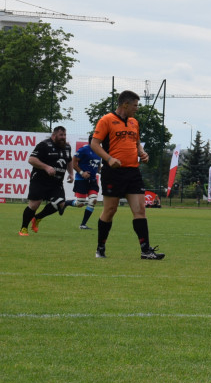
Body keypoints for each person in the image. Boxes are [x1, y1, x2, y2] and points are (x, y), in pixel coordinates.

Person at [90, 91, 163, 259]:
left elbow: (137, 144)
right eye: (135, 105)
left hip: (133, 171)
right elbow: (94, 144)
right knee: (110, 210)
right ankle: (100, 248)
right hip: (113, 172)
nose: (137, 109)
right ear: (125, 104)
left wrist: (143, 153)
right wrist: (108, 159)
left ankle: (146, 251)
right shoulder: (106, 120)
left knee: (140, 210)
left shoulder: (134, 122)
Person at [20, 126, 72, 236]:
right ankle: (23, 228)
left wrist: (71, 174)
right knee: (34, 204)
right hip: (40, 180)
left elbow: (69, 161)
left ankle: (37, 218)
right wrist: (46, 167)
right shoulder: (44, 145)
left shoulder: (67, 147)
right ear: (54, 135)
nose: (63, 137)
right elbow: (31, 159)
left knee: (61, 203)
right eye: (61, 135)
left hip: (56, 182)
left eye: (64, 135)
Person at [70, 142, 102, 230]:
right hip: (81, 180)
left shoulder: (99, 151)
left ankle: (83, 224)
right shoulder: (84, 149)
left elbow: (98, 166)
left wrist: (101, 170)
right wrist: (82, 172)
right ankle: (66, 203)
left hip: (92, 181)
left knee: (93, 200)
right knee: (80, 203)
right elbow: (74, 162)